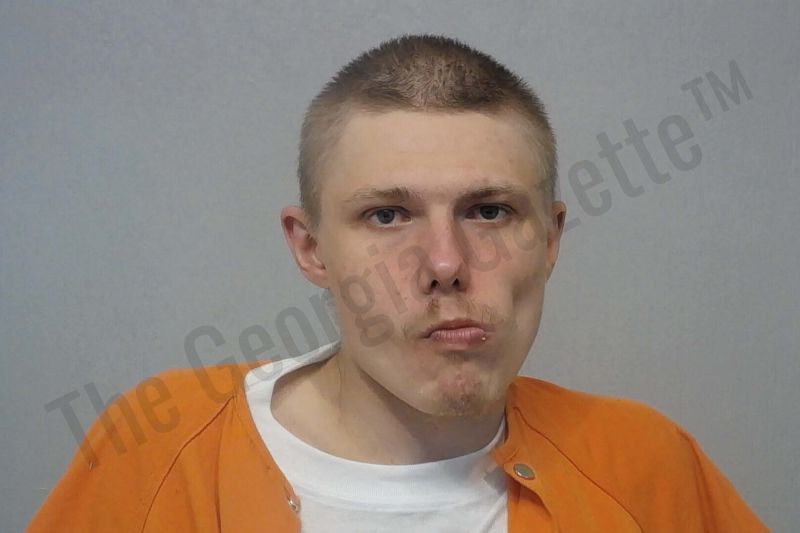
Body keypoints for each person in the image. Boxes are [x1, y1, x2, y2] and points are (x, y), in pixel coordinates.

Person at [28, 33, 769, 532]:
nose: (445, 263)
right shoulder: (155, 455)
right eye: (387, 215)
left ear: (548, 239)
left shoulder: (646, 466)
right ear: (311, 248)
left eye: (489, 210)